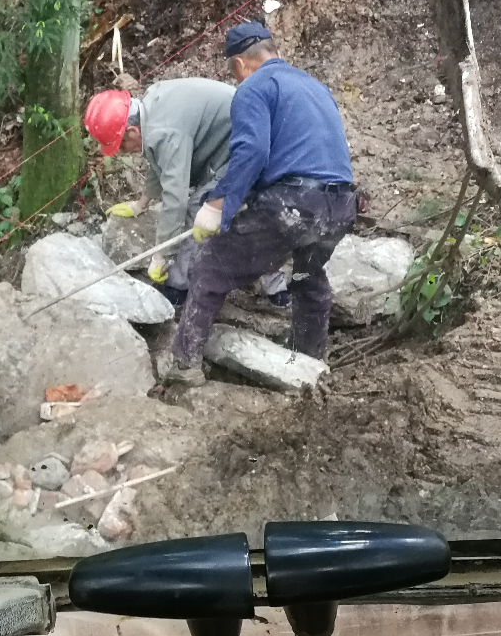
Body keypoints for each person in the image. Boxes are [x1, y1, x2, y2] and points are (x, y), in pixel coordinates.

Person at [165, 22, 361, 386]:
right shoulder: (313, 86)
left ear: (239, 64)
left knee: (210, 265)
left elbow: (252, 152)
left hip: (296, 207)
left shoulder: (254, 88)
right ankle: (309, 362)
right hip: (338, 209)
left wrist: (218, 204)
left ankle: (184, 364)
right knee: (306, 276)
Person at [84, 79, 290, 308]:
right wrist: (141, 204)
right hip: (240, 138)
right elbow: (158, 161)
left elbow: (176, 199)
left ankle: (177, 288)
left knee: (199, 207)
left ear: (132, 131)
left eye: (120, 145)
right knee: (247, 213)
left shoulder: (164, 132)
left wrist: (161, 255)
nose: (123, 152)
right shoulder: (152, 106)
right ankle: (275, 284)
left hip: (252, 147)